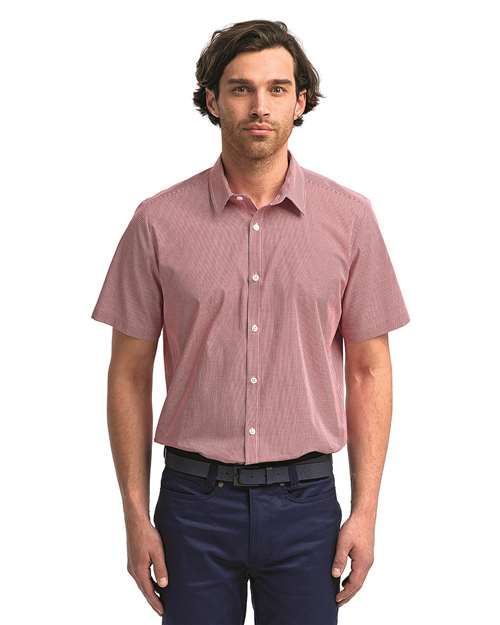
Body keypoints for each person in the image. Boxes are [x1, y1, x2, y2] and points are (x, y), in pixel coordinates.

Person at [91, 19, 410, 625]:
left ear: (300, 101)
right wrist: (134, 515)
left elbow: (369, 370)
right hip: (192, 506)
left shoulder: (350, 219)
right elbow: (128, 374)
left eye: (277, 88)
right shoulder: (157, 222)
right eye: (240, 88)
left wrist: (366, 511)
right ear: (212, 100)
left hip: (307, 506)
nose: (259, 106)